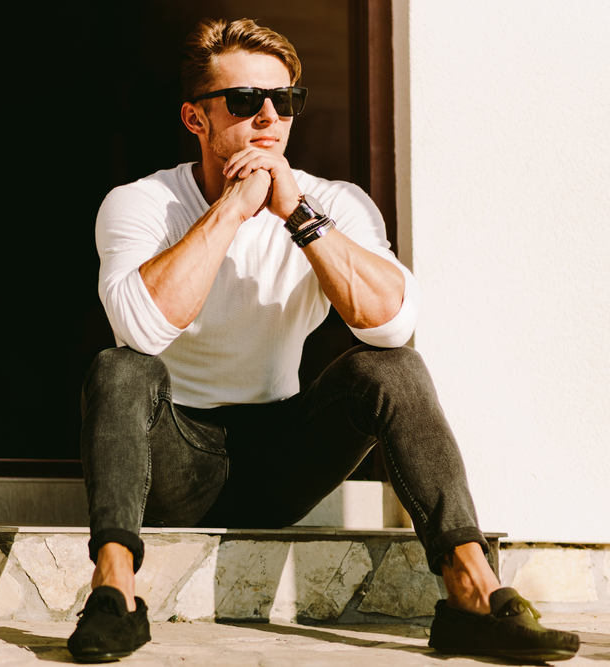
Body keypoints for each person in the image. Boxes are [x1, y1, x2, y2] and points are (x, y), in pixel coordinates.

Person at [66, 17, 579, 665]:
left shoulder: (332, 203)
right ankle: (114, 594)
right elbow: (139, 328)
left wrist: (298, 216)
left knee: (390, 367)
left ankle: (473, 593)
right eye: (246, 101)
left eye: (284, 101)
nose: (269, 118)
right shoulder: (139, 204)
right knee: (118, 368)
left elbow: (391, 325)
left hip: (282, 457)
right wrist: (232, 206)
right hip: (174, 462)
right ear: (196, 120)